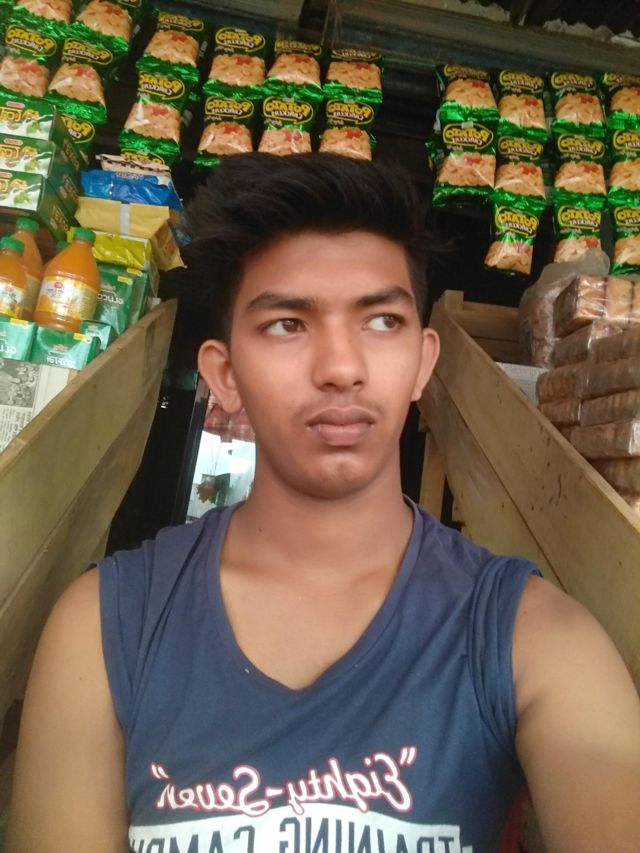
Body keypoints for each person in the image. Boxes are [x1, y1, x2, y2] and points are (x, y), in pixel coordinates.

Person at [7, 153, 640, 853]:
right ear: (225, 375)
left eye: (382, 321)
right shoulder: (105, 626)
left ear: (424, 362)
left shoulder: (532, 638)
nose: (341, 367)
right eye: (287, 324)